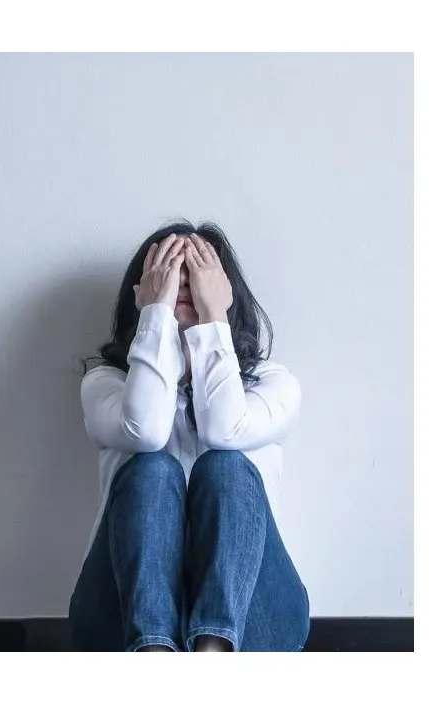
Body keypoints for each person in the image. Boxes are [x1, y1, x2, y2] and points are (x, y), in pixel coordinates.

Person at [69, 220, 309, 652]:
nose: (182, 283)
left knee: (226, 465)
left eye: (198, 273)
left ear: (225, 289)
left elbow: (225, 430)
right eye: (168, 272)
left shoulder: (274, 385)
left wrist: (212, 318)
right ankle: (156, 654)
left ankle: (212, 654)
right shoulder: (104, 384)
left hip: (257, 618)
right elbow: (145, 431)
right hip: (119, 618)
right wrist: (157, 317)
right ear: (141, 291)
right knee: (152, 470)